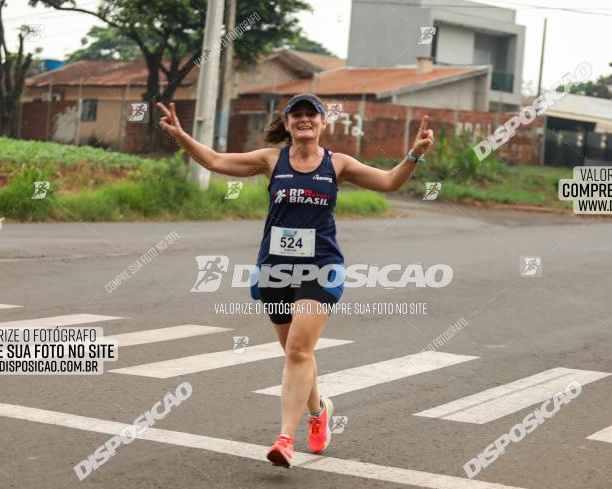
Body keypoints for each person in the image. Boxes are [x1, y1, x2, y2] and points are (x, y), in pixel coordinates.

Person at [157, 93, 435, 467]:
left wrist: (414, 155)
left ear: (322, 123)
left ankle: (285, 439)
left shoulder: (339, 164)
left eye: (311, 114)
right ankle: (319, 410)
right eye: (297, 115)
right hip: (274, 268)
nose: (305, 119)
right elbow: (216, 160)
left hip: (320, 267)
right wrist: (181, 135)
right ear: (287, 125)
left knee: (299, 351)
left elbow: (388, 182)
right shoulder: (271, 160)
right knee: (295, 351)